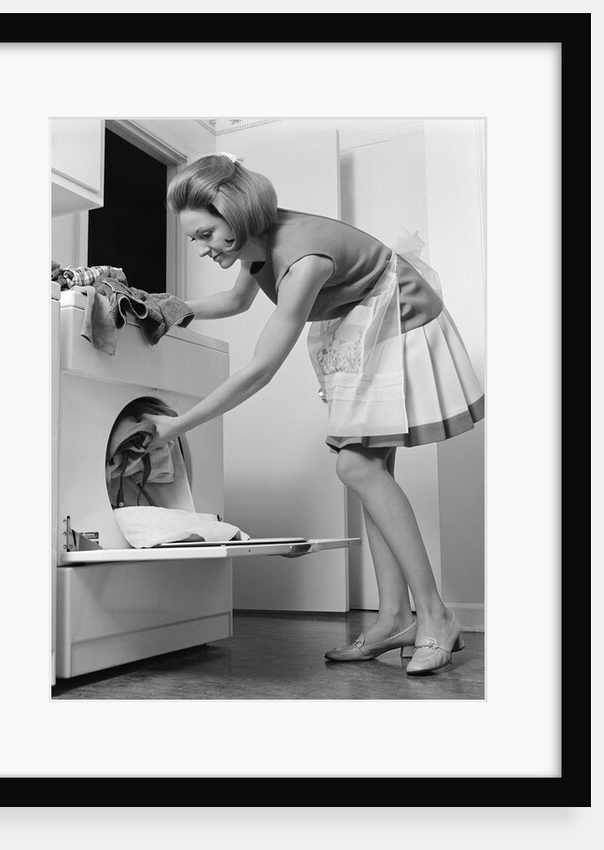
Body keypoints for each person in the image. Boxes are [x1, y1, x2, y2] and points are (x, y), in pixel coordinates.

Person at [142, 152, 484, 676]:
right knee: (371, 470)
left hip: (398, 317)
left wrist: (177, 426)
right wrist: (173, 306)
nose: (201, 247)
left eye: (205, 234)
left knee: (356, 465)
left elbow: (260, 370)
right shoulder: (255, 245)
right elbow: (236, 303)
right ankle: (395, 618)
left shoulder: (304, 262)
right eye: (193, 237)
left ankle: (436, 616)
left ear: (234, 215)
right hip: (360, 316)